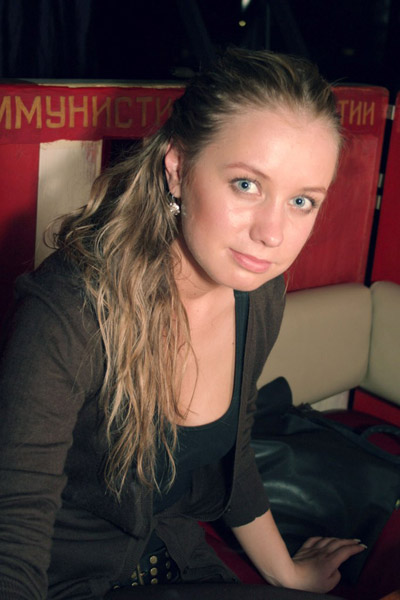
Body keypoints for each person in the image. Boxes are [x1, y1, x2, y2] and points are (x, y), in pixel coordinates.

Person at [0, 47, 365, 600]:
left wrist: (288, 576)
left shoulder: (258, 293)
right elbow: (13, 537)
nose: (272, 233)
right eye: (247, 185)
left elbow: (234, 454)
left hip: (175, 558)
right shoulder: (70, 311)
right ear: (177, 168)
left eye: (301, 201)